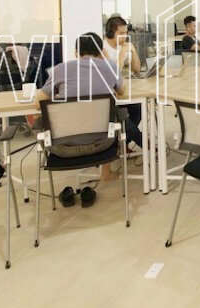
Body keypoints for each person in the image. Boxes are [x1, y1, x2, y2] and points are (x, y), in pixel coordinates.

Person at [40, 32, 143, 205]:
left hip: (62, 147)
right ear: (101, 50)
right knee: (117, 113)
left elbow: (39, 102)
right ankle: (109, 170)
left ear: (76, 52)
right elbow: (121, 92)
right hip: (103, 144)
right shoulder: (110, 67)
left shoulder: (60, 69)